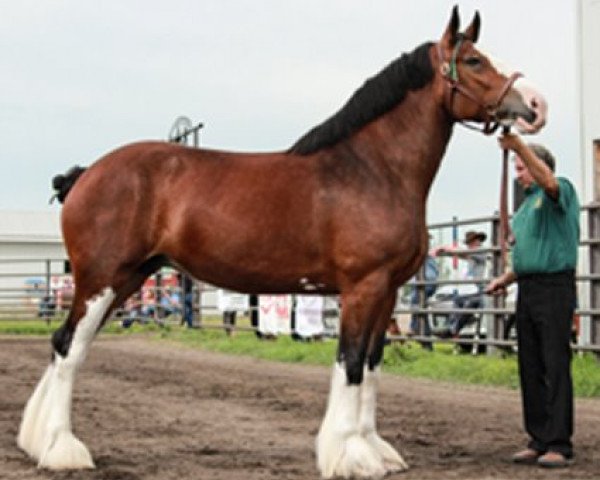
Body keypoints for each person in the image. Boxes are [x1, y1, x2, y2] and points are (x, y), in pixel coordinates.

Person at [486, 133, 579, 468]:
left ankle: (558, 441)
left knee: (555, 363)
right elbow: (526, 254)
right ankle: (538, 437)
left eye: (523, 167)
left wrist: (518, 144)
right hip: (527, 289)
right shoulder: (525, 209)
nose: (519, 174)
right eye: (517, 167)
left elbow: (549, 182)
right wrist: (506, 278)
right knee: (531, 365)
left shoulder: (559, 190)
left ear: (539, 166)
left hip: (554, 287)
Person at [437, 230, 488, 336]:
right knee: (458, 300)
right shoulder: (473, 255)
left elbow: (463, 253)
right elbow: (461, 255)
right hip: (475, 291)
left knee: (471, 303)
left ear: (478, 241)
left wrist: (447, 249)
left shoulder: (481, 251)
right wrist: (445, 253)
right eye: (469, 243)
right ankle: (451, 328)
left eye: (472, 242)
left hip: (483, 291)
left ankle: (453, 330)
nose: (470, 245)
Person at [407, 252, 439, 349]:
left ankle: (414, 328)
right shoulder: (424, 256)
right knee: (421, 312)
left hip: (423, 284)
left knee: (416, 306)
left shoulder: (422, 254)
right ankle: (427, 345)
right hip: (422, 284)